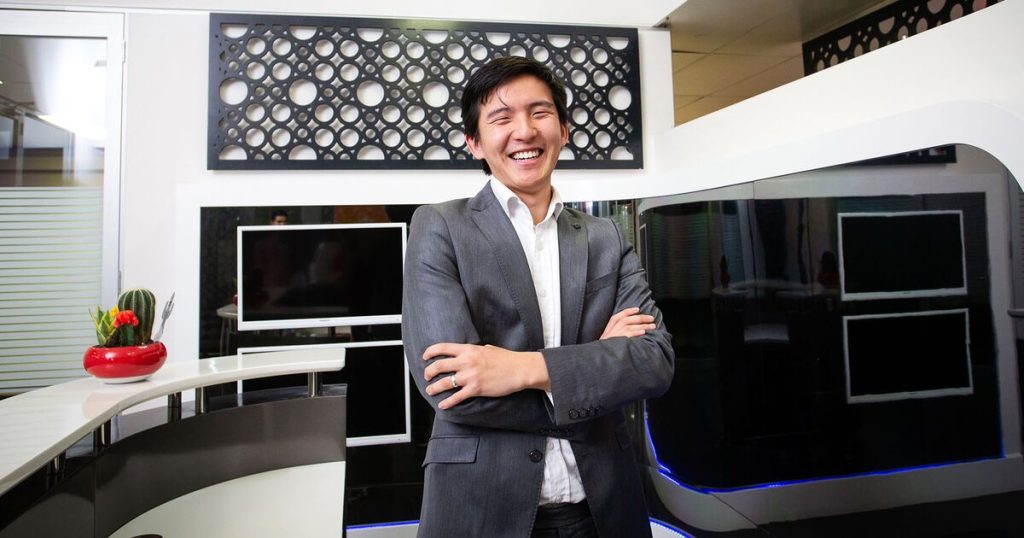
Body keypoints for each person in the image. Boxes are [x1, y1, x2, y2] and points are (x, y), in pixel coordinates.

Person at [402, 56, 674, 538]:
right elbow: (449, 388)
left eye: (540, 112)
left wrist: (519, 369)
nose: (524, 131)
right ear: (474, 142)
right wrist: (595, 364)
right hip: (483, 506)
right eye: (501, 118)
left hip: (603, 506)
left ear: (563, 130)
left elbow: (654, 362)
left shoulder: (605, 236)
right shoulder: (440, 226)